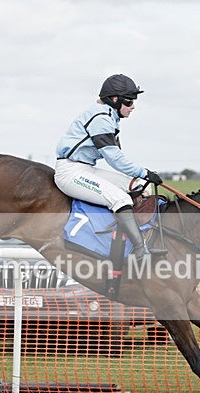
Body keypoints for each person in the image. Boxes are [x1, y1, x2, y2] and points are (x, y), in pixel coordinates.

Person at [54, 74, 166, 260]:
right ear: (115, 99)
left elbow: (118, 158)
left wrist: (140, 178)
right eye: (129, 102)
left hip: (85, 168)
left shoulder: (110, 117)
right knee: (121, 199)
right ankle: (140, 249)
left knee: (136, 185)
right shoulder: (101, 117)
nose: (133, 107)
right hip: (70, 172)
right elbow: (114, 158)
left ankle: (144, 233)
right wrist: (145, 173)